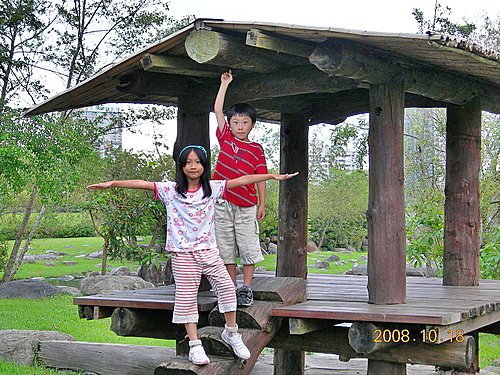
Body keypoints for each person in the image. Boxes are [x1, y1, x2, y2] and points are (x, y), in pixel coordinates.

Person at [86, 145, 297, 366]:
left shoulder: (213, 188)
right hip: (183, 254)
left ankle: (231, 333)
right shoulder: (171, 190)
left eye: (197, 162)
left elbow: (243, 180)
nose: (193, 166)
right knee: (187, 299)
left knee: (227, 289)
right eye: (188, 162)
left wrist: (272, 176)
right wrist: (112, 184)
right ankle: (194, 345)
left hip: (208, 252)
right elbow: (142, 184)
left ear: (204, 165)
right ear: (181, 166)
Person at [213, 70, 268, 307]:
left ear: (252, 125)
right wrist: (225, 84)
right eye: (235, 121)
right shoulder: (226, 139)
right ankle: (229, 288)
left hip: (247, 204)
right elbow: (217, 110)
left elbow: (261, 177)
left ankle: (246, 288)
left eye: (245, 122)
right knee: (225, 248)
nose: (239, 125)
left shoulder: (256, 149)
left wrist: (262, 202)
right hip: (222, 202)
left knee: (247, 246)